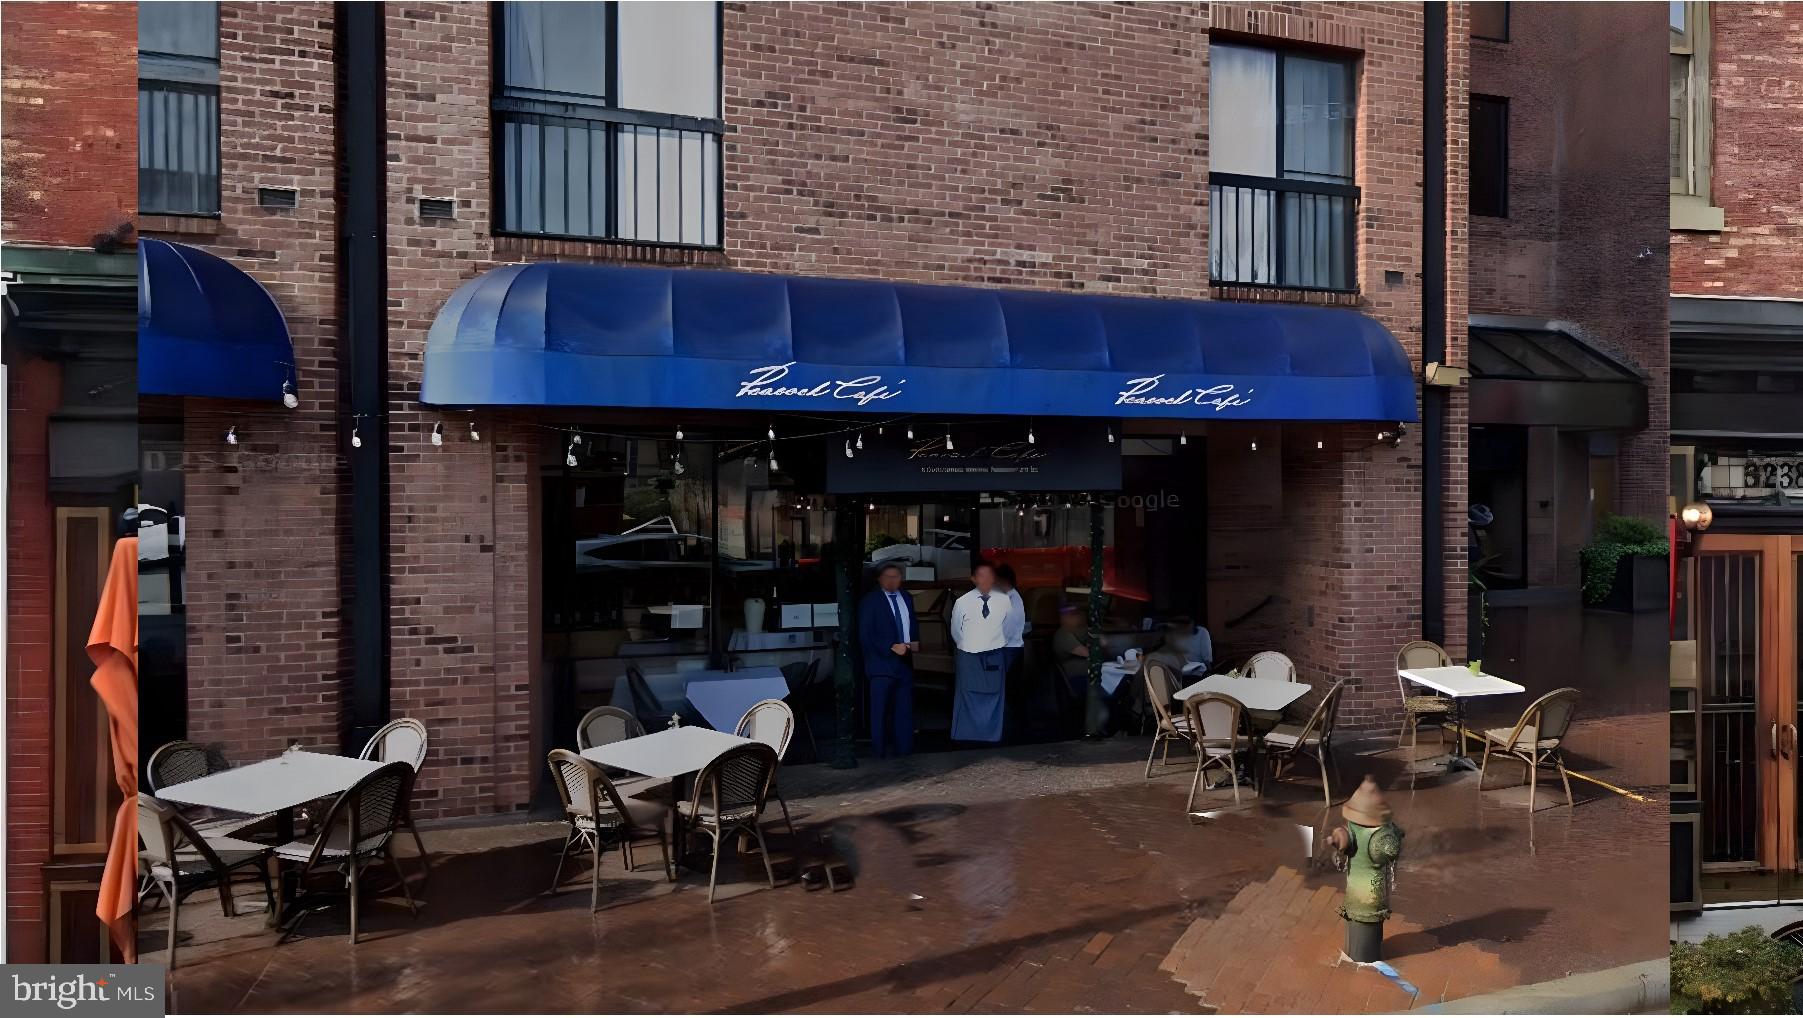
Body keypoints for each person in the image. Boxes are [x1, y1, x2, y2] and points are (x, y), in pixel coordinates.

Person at [858, 563, 919, 757]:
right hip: (881, 664)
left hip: (905, 663)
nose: (892, 580)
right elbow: (866, 634)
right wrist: (891, 646)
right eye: (888, 576)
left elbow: (912, 623)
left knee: (904, 711)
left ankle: (904, 751)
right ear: (879, 578)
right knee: (880, 712)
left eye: (896, 576)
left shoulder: (907, 597)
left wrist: (914, 644)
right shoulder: (870, 601)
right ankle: (879, 753)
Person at [948, 561, 1011, 742]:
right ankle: (965, 737)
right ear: (973, 579)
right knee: (968, 693)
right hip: (969, 656)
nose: (986, 579)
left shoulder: (1004, 601)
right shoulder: (962, 602)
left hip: (996, 653)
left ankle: (992, 736)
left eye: (989, 575)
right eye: (981, 575)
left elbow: (1010, 628)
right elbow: (956, 632)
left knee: (994, 695)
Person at [1052, 604, 1093, 699]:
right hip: (1076, 676)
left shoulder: (1080, 630)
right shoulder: (1062, 635)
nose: (1080, 616)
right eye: (1073, 615)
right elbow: (1089, 653)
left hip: (1086, 673)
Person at [994, 563, 1028, 671]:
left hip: (1007, 651)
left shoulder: (1012, 603)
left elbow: (1005, 633)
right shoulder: (1009, 598)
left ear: (1001, 581)